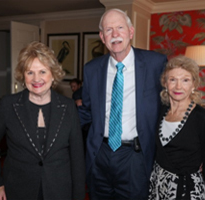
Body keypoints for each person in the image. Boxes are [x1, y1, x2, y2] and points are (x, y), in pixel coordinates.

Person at [79, 8, 167, 199]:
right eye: (109, 30)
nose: (115, 34)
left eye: (120, 27)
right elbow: (85, 112)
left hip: (136, 156)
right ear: (102, 37)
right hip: (99, 154)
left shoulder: (155, 63)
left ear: (131, 32)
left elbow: (169, 108)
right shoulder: (91, 69)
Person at [0, 41, 85, 200]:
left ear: (53, 74)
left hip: (59, 190)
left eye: (42, 71)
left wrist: (78, 196)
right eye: (30, 72)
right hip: (18, 189)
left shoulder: (68, 107)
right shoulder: (9, 105)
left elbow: (77, 157)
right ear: (23, 76)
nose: (36, 79)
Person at [148, 55, 205, 200]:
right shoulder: (160, 111)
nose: (178, 86)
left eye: (185, 80)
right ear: (165, 83)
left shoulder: (203, 118)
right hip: (158, 185)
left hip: (187, 190)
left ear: (194, 84)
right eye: (172, 80)